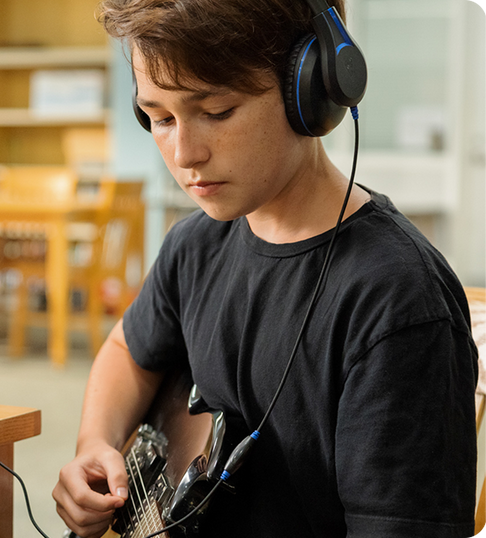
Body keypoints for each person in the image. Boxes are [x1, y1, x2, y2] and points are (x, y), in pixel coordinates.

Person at [53, 0, 477, 536]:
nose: (184, 153)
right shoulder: (193, 246)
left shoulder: (396, 301)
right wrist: (95, 442)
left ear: (313, 91)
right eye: (160, 118)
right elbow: (127, 350)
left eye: (216, 111)